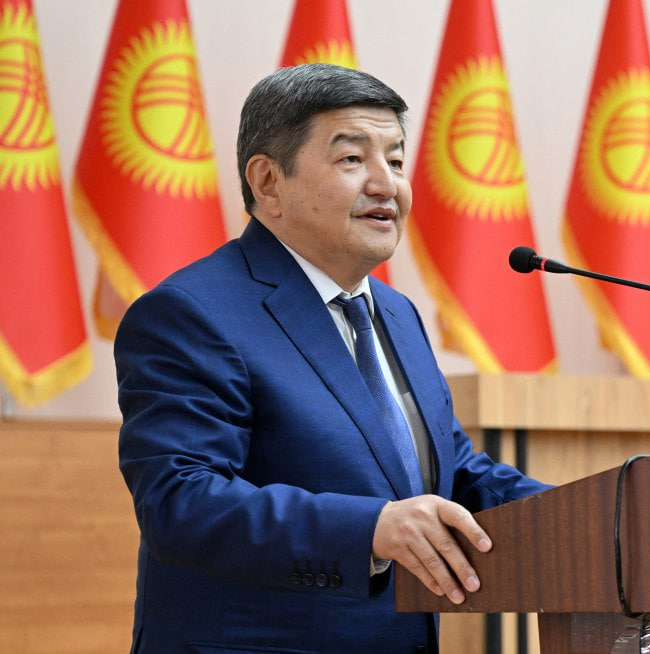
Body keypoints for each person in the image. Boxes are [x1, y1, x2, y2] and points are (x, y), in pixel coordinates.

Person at [115, 63, 550, 654]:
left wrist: (604, 514)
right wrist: (370, 529)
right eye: (352, 159)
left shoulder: (395, 312)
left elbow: (453, 474)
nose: (386, 185)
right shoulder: (192, 313)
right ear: (268, 182)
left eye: (396, 161)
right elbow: (181, 501)